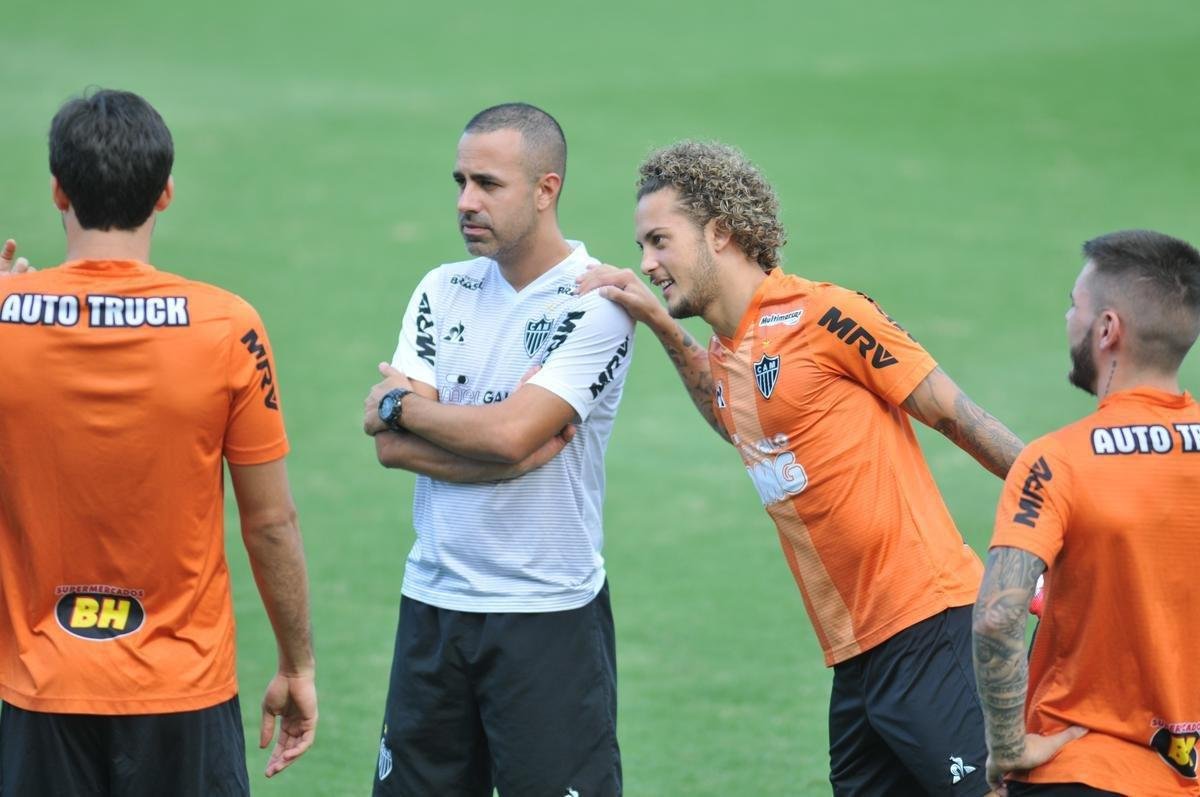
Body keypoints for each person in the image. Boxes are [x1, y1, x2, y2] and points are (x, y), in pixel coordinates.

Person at [577, 140, 1025, 795]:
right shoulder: (728, 351)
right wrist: (659, 323)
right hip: (854, 656)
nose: (648, 263)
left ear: (719, 234)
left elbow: (958, 416)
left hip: (928, 625)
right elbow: (739, 425)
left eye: (660, 241)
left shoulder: (826, 315)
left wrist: (1066, 508)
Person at [0, 89, 317, 795]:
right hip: (184, 689)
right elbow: (270, 522)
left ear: (57, 189)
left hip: (42, 686)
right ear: (165, 193)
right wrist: (298, 666)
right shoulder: (228, 326)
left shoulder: (3, 321)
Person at [361, 103, 632, 796]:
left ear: (547, 189)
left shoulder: (594, 302)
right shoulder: (440, 288)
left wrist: (414, 411)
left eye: (487, 183)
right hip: (432, 604)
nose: (465, 202)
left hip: (546, 616)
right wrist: (426, 422)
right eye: (459, 181)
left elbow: (513, 432)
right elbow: (393, 445)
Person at [973, 230, 1200, 797]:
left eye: (1076, 306)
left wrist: (1009, 749)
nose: (1068, 319)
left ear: (1107, 329)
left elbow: (997, 617)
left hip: (1079, 771)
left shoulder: (1056, 461)